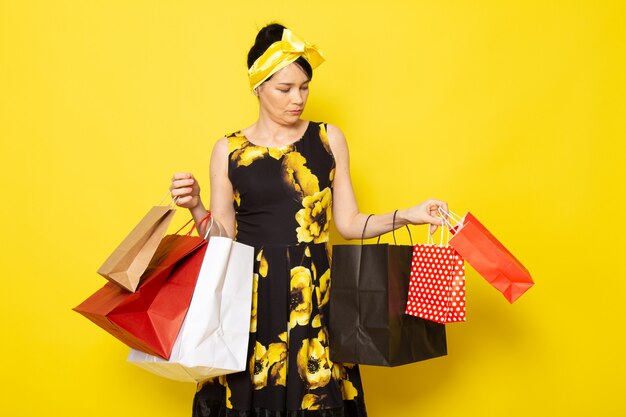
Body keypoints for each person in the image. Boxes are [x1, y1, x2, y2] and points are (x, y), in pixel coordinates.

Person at [169, 23, 448, 417]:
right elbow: (223, 237)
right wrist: (197, 207)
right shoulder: (227, 150)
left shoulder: (328, 139)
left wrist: (409, 214)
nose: (297, 99)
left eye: (304, 87)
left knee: (316, 398)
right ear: (257, 87)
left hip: (316, 296)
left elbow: (349, 223)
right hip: (249, 301)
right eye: (285, 89)